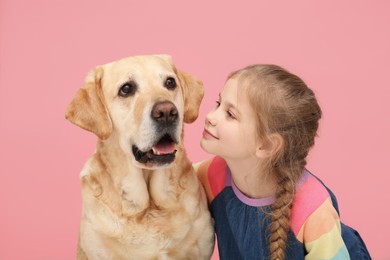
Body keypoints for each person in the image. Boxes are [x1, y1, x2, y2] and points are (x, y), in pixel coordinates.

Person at [194, 64, 371, 259]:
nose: (210, 117)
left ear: (266, 145)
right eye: (218, 103)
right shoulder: (213, 175)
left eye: (231, 114)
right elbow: (171, 181)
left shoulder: (312, 207)